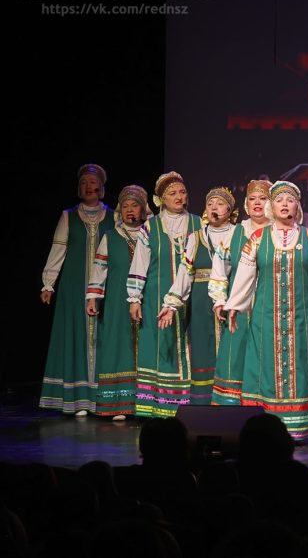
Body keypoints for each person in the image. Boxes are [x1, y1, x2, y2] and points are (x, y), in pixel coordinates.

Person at [223, 181, 308, 440]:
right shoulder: (258, 239)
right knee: (266, 370)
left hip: (302, 320)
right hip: (266, 320)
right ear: (272, 206)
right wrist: (234, 306)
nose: (285, 204)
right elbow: (244, 276)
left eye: (290, 200)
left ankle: (298, 426)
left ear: (297, 206)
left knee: (301, 369)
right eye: (279, 200)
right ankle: (267, 426)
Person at [40, 164, 116, 415]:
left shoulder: (114, 216)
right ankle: (79, 399)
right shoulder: (68, 216)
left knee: (104, 336)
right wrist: (48, 283)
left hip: (106, 286)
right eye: (83, 183)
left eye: (93, 182)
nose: (88, 187)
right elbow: (58, 250)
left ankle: (104, 398)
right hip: (74, 287)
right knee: (76, 336)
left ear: (101, 188)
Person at [128, 171, 202, 418]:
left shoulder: (198, 224)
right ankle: (157, 404)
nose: (179, 197)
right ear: (161, 199)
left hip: (191, 296)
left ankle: (189, 403)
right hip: (156, 296)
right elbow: (140, 263)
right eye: (172, 193)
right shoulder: (151, 227)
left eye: (182, 192)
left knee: (190, 346)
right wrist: (135, 298)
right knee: (159, 344)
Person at [157, 187, 239, 406]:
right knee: (203, 350)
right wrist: (171, 304)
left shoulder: (239, 233)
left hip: (232, 298)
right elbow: (185, 272)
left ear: (229, 210)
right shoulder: (196, 237)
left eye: (219, 203)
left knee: (232, 349)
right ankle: (204, 404)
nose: (214, 208)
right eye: (209, 204)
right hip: (201, 301)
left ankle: (230, 403)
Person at [86, 184, 150, 419]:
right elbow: (99, 268)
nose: (130, 210)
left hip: (146, 296)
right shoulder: (110, 237)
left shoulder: (152, 234)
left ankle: (144, 401)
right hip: (116, 298)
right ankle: (118, 402)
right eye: (125, 206)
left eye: (135, 206)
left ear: (143, 210)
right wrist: (93, 296)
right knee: (119, 343)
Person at [209, 179, 272, 405]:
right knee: (234, 357)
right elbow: (219, 269)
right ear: (246, 204)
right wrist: (219, 300)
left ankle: (265, 404)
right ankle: (231, 407)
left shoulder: (278, 233)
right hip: (240, 310)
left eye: (263, 199)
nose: (257, 203)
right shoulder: (235, 233)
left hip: (269, 308)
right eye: (252, 199)